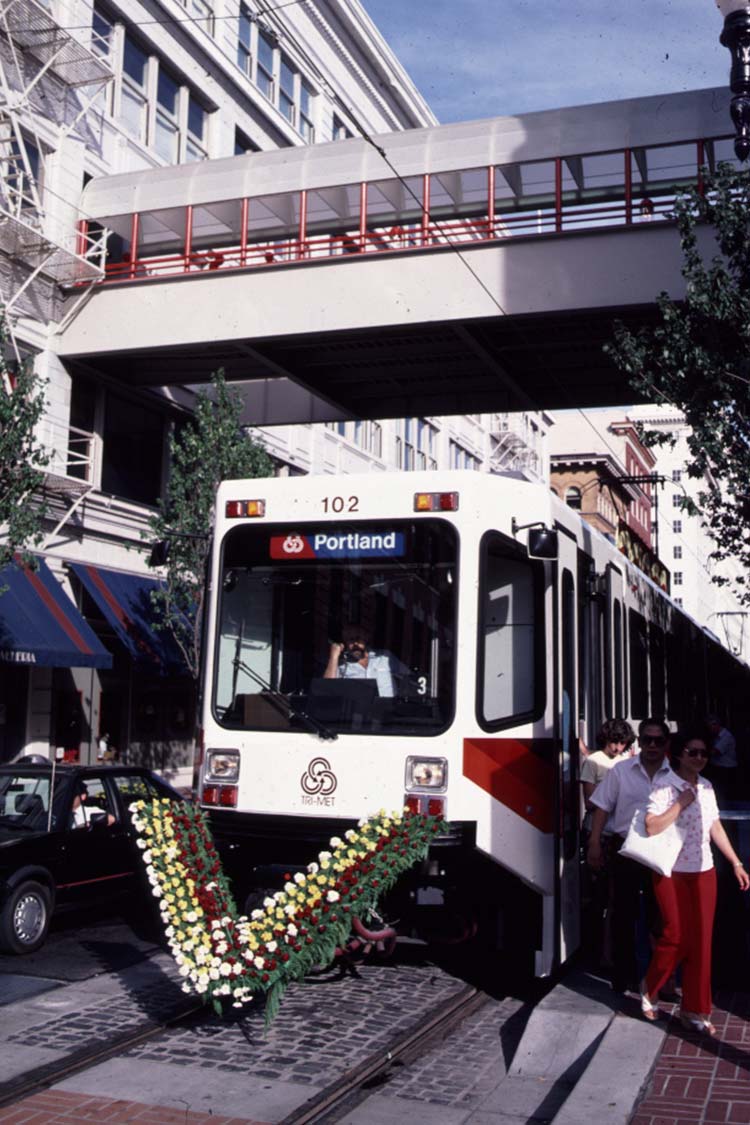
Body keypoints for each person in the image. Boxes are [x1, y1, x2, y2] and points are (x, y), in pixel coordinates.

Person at [640, 730, 749, 1035]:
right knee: (674, 935)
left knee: (701, 941)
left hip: (703, 871)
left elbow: (715, 827)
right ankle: (650, 988)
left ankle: (695, 1009)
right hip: (670, 870)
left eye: (703, 753)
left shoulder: (708, 787)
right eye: (693, 752)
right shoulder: (664, 784)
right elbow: (651, 826)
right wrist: (681, 803)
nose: (699, 758)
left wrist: (736, 862)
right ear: (678, 754)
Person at [587, 717, 674, 994]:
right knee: (623, 914)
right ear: (640, 742)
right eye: (646, 739)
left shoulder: (675, 775)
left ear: (666, 744)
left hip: (661, 852)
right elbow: (601, 807)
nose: (652, 745)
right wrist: (594, 844)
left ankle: (657, 978)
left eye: (658, 740)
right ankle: (622, 977)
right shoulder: (620, 771)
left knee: (658, 916)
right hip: (625, 849)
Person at [324, 626, 398, 698]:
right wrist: (333, 657)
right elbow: (327, 689)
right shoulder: (341, 665)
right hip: (357, 709)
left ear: (366, 639)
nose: (355, 644)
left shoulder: (384, 657)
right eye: (351, 640)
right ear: (345, 643)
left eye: (358, 638)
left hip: (388, 707)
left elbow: (407, 677)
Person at [581, 718, 636, 811]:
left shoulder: (626, 761)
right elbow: (589, 803)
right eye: (614, 741)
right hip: (594, 821)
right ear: (606, 738)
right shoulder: (593, 761)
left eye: (622, 743)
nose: (618, 748)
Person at [705, 714, 738, 805]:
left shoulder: (726, 736)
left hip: (726, 770)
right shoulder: (715, 736)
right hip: (717, 768)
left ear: (716, 725)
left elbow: (715, 752)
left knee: (725, 794)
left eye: (710, 727)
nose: (709, 730)